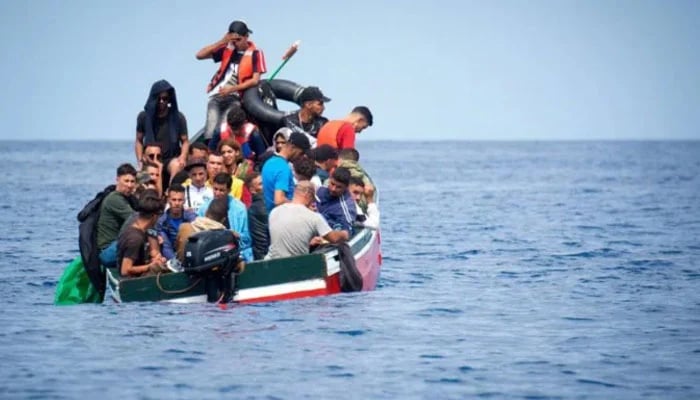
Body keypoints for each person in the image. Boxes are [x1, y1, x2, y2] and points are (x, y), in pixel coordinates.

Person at [196, 20, 267, 140]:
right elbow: (199, 55)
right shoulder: (227, 49)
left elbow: (255, 80)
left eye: (239, 40)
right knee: (210, 131)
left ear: (246, 37)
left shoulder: (256, 53)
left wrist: (232, 89)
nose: (236, 44)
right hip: (217, 95)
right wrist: (222, 41)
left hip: (235, 97)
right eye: (233, 41)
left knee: (224, 130)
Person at [266, 181, 348, 259]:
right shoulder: (314, 217)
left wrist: (309, 241)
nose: (312, 203)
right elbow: (334, 238)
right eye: (312, 199)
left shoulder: (274, 212)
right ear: (307, 194)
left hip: (271, 262)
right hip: (295, 265)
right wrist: (344, 234)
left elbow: (285, 238)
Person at [135, 80, 189, 187]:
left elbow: (185, 141)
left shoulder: (178, 117)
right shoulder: (144, 117)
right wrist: (140, 159)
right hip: (150, 159)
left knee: (177, 166)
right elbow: (139, 140)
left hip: (171, 158)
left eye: (164, 98)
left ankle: (171, 192)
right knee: (140, 178)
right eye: (158, 98)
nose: (161, 101)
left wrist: (183, 156)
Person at [197, 172, 253, 261]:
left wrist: (237, 235)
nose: (217, 193)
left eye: (221, 190)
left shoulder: (240, 209)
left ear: (229, 190)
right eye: (215, 189)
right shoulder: (203, 208)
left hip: (235, 253)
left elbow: (247, 239)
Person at [117, 189, 167, 277]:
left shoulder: (137, 228)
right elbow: (125, 270)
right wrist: (149, 266)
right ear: (154, 216)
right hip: (132, 281)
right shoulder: (135, 239)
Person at [96, 163, 137, 268]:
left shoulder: (128, 198)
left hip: (116, 246)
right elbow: (138, 221)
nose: (129, 185)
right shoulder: (115, 199)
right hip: (108, 251)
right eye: (126, 181)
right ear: (117, 179)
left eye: (132, 181)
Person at [261, 132, 310, 212]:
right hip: (280, 217)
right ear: (293, 148)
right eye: (301, 153)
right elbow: (279, 200)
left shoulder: (269, 162)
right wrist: (300, 205)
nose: (301, 157)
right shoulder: (283, 168)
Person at [175, 197, 230, 262]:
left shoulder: (184, 227)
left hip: (184, 269)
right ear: (223, 220)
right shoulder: (225, 238)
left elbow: (178, 251)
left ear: (206, 212)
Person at [156, 184, 197, 260]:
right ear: (168, 200)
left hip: (189, 253)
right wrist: (175, 262)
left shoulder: (191, 217)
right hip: (170, 256)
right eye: (174, 200)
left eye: (180, 200)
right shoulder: (162, 221)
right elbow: (166, 246)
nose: (177, 203)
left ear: (184, 201)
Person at [316, 167, 357, 235]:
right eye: (332, 184)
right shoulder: (319, 191)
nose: (333, 189)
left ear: (346, 187)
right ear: (329, 179)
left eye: (339, 187)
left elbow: (347, 232)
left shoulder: (347, 207)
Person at [245, 172, 269, 260]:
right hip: (265, 255)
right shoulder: (258, 208)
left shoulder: (254, 208)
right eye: (260, 184)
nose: (265, 186)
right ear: (252, 190)